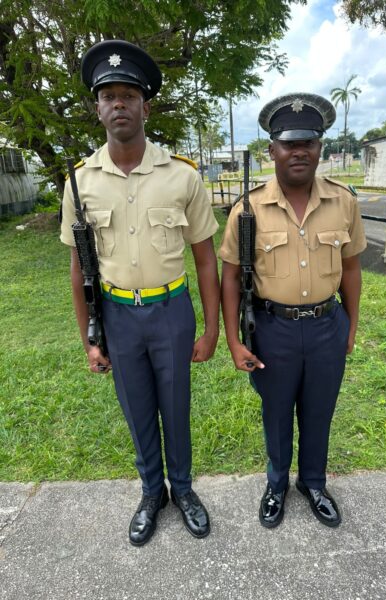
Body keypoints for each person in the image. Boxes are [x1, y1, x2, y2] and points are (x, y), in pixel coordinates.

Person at [60, 40, 220, 545]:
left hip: (171, 310)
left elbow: (205, 258)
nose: (119, 104)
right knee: (136, 407)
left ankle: (184, 491)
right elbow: (78, 267)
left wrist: (212, 328)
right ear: (98, 109)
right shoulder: (80, 183)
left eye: (128, 95)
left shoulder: (181, 176)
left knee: (176, 407)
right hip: (118, 316)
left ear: (145, 107)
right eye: (109, 96)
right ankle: (152, 493)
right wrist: (89, 338)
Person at [220, 93, 367, 529]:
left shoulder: (343, 202)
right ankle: (277, 484)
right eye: (289, 143)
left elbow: (352, 268)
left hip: (326, 325)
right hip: (272, 329)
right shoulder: (247, 210)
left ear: (320, 147)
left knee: (319, 411)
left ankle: (314, 483)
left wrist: (350, 327)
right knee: (277, 413)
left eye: (308, 142)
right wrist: (234, 341)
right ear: (272, 150)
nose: (299, 151)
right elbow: (230, 277)